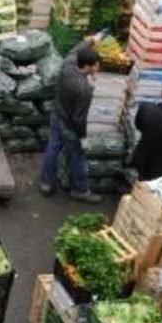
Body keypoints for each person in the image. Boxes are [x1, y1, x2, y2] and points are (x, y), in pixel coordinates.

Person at [39, 37, 102, 203]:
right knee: (78, 157)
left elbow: (74, 50)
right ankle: (80, 190)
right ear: (88, 66)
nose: (97, 68)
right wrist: (83, 138)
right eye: (96, 65)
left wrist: (91, 41)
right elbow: (79, 119)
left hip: (58, 113)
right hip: (71, 126)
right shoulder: (84, 89)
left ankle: (46, 183)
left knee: (52, 148)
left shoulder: (67, 66)